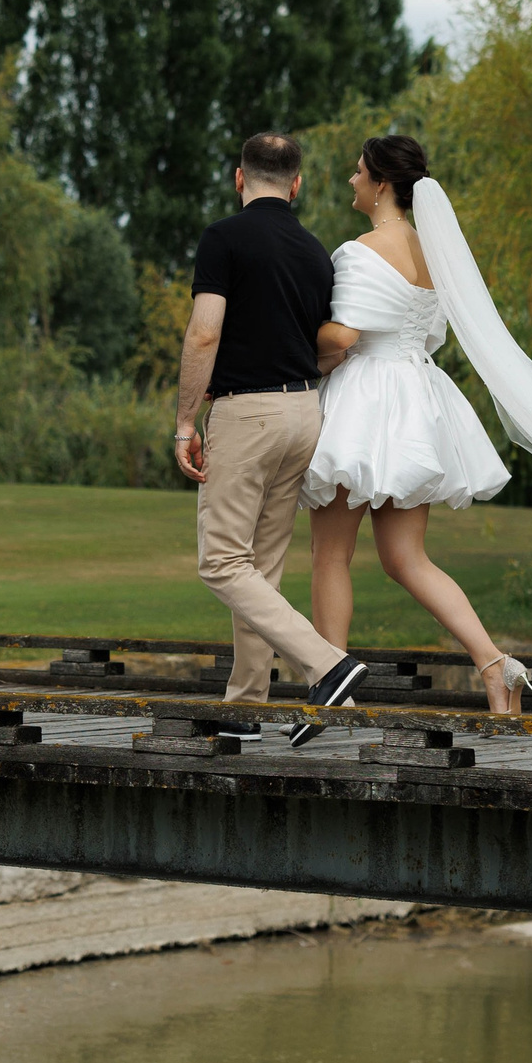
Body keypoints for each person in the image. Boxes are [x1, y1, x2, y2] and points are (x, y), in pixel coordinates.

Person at [303, 134, 532, 713]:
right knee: (407, 559)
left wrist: (295, 348)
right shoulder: (436, 253)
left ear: (381, 183)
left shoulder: (360, 250)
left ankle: (333, 686)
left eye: (358, 173)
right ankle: (494, 665)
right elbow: (430, 335)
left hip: (366, 397)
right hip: (417, 400)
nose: (351, 181)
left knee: (331, 554)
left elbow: (345, 336)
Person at [173, 132, 371, 748]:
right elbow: (332, 344)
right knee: (259, 567)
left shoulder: (223, 238)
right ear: (297, 183)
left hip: (247, 415)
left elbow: (205, 334)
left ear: (239, 179)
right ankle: (245, 705)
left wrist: (184, 422)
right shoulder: (316, 253)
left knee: (221, 561)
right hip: (304, 413)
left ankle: (326, 664)